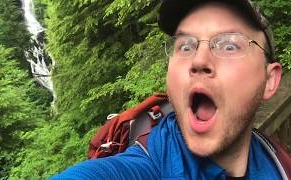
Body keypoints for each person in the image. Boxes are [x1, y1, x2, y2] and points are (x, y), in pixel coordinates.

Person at [51, 0, 290, 179]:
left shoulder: (278, 164)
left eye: (229, 45)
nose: (198, 60)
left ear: (270, 80)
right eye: (185, 46)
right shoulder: (143, 168)